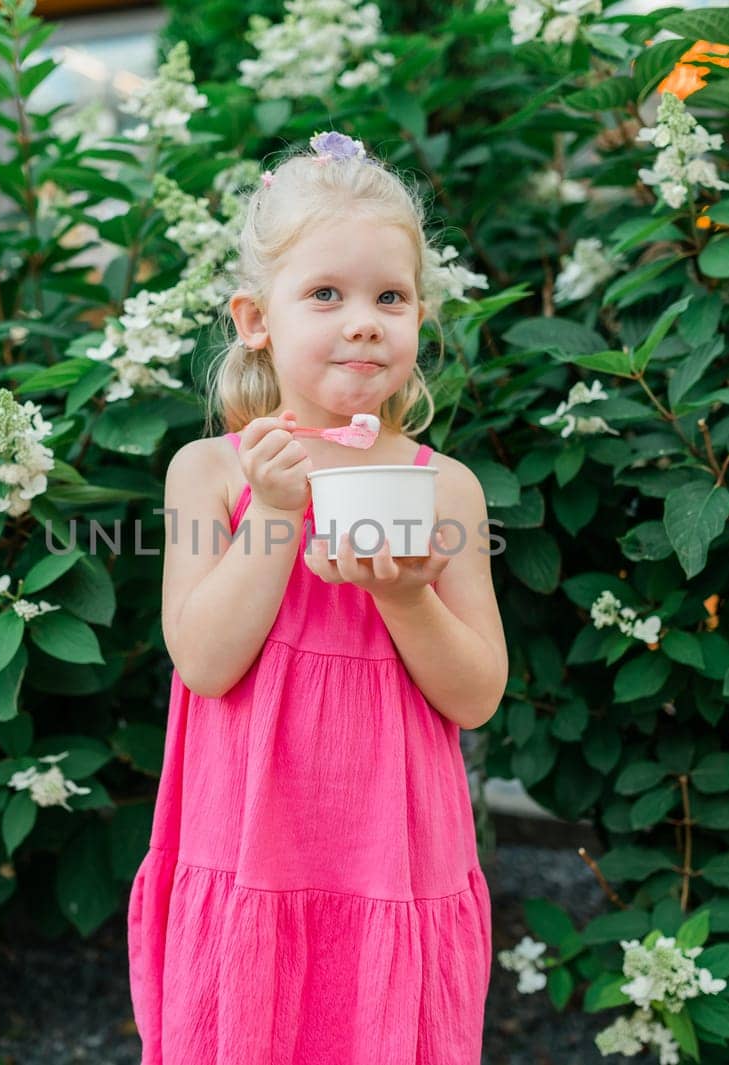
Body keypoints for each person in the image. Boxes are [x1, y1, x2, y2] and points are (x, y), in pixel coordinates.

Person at [126, 130, 508, 1064]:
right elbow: (207, 662)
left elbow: (477, 693)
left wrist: (410, 601)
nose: (365, 320)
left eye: (391, 296)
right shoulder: (213, 471)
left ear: (420, 314)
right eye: (326, 294)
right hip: (251, 842)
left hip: (393, 855)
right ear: (256, 317)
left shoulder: (444, 487)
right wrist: (277, 510)